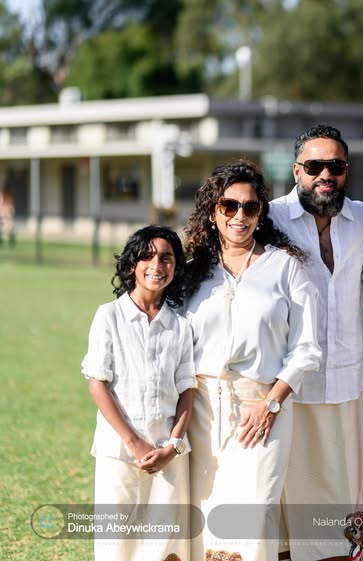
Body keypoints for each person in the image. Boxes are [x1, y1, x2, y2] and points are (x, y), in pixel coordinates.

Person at [183, 160, 321, 561]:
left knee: (252, 518)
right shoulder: (194, 273)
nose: (239, 216)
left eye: (250, 207)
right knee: (208, 523)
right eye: (229, 206)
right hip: (203, 412)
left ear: (261, 212)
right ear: (213, 212)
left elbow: (307, 348)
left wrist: (271, 404)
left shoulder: (286, 267)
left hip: (263, 409)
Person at [268, 124, 363, 561]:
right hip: (291, 382)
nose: (325, 175)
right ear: (298, 170)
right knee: (292, 506)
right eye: (314, 166)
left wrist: (344, 316)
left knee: (347, 507)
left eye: (334, 166)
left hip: (347, 381)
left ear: (346, 170)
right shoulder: (271, 218)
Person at [81, 225, 195, 561]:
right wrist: (134, 443)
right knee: (118, 546)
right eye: (147, 256)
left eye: (166, 258)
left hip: (168, 456)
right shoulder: (109, 316)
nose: (156, 265)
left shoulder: (181, 325)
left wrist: (172, 445)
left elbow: (186, 391)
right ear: (132, 264)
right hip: (119, 453)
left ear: (176, 267)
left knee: (166, 548)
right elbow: (97, 383)